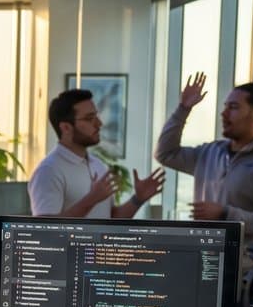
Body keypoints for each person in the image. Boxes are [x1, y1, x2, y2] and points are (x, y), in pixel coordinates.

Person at [155, 73, 253, 243]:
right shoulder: (210, 152)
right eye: (225, 106)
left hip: (245, 267)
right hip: (205, 259)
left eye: (233, 107)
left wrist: (225, 213)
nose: (224, 113)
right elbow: (166, 154)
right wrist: (183, 109)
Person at [29, 88, 164, 218]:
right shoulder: (48, 171)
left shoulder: (98, 165)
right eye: (89, 119)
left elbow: (110, 219)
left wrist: (138, 199)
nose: (99, 124)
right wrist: (92, 199)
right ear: (66, 127)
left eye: (96, 116)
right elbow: (46, 229)